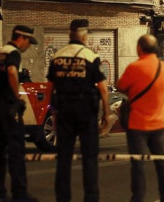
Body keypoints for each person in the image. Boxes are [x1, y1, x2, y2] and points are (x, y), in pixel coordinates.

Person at [46, 19, 111, 202]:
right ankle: (91, 198)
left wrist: (53, 112)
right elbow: (103, 88)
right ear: (83, 34)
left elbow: (49, 88)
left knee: (64, 159)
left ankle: (62, 198)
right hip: (86, 113)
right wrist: (105, 113)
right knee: (89, 158)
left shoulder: (57, 56)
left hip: (64, 111)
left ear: (70, 34)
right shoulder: (91, 56)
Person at [0, 25, 39, 202]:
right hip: (8, 109)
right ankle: (19, 194)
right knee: (16, 152)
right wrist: (15, 98)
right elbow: (12, 71)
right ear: (21, 38)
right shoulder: (14, 53)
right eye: (29, 42)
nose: (28, 46)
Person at [116, 34, 164, 202]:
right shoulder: (162, 67)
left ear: (139, 48)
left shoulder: (135, 67)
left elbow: (121, 86)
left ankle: (138, 198)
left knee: (138, 166)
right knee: (162, 164)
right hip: (158, 125)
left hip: (137, 125)